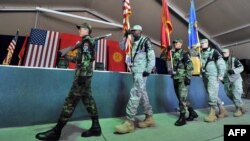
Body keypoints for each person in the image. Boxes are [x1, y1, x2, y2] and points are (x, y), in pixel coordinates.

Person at [35, 22, 101, 140]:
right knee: (88, 100)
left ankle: (57, 131)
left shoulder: (86, 42)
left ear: (86, 30)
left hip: (82, 77)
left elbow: (86, 61)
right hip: (86, 77)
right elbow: (79, 59)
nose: (79, 31)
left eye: (80, 29)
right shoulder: (85, 42)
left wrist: (82, 76)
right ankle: (96, 127)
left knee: (70, 102)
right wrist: (65, 56)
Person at [115, 25, 156, 134]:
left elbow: (151, 56)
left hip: (141, 72)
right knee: (142, 94)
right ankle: (149, 117)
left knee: (135, 93)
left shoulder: (145, 40)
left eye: (136, 30)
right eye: (133, 31)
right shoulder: (132, 43)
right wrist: (125, 35)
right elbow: (122, 47)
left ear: (141, 31)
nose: (134, 32)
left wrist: (148, 69)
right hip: (135, 71)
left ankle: (129, 122)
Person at [171, 39, 198, 126]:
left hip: (182, 78)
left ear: (181, 44)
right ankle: (192, 112)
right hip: (175, 78)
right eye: (174, 43)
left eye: (177, 43)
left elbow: (190, 65)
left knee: (182, 99)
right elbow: (163, 57)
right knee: (181, 98)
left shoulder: (184, 53)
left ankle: (182, 117)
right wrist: (166, 50)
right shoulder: (173, 53)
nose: (175, 44)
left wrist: (188, 77)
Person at [200, 39, 227, 122]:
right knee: (211, 92)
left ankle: (213, 113)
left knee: (212, 92)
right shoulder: (200, 53)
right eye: (201, 43)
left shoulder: (213, 51)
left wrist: (221, 74)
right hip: (205, 75)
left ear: (207, 43)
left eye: (204, 43)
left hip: (213, 75)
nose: (202, 44)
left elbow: (221, 63)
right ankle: (222, 109)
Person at [222, 48, 246, 117]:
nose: (224, 54)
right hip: (226, 80)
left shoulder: (233, 59)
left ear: (229, 53)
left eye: (226, 52)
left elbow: (241, 67)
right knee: (228, 94)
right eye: (223, 53)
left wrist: (234, 71)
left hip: (236, 79)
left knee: (236, 93)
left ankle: (238, 109)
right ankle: (241, 106)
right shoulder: (221, 61)